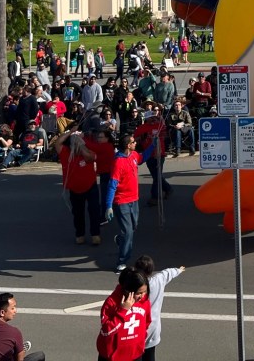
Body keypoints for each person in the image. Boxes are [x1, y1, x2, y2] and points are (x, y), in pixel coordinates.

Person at [104, 132, 157, 273]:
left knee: (133, 227)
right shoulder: (118, 162)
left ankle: (120, 240)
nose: (135, 143)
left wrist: (153, 145)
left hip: (134, 200)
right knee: (128, 232)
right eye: (133, 142)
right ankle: (121, 262)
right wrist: (108, 206)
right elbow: (112, 185)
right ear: (128, 145)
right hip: (121, 201)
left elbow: (142, 158)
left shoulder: (133, 155)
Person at [132, 255, 185, 360]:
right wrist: (179, 270)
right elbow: (168, 273)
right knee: (150, 356)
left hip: (136, 329)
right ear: (151, 270)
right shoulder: (158, 280)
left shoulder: (133, 285)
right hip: (153, 329)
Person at [56, 127, 101, 245]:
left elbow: (90, 158)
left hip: (90, 185)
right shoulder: (65, 152)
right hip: (74, 188)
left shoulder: (88, 152)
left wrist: (81, 147)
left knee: (94, 210)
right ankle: (80, 234)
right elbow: (58, 142)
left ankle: (95, 234)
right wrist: (71, 132)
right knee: (78, 213)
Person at [0, 292, 45, 361]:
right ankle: (19, 349)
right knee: (40, 355)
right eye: (12, 308)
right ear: (2, 313)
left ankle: (17, 349)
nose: (15, 311)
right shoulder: (14, 332)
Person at [97, 267, 151, 361]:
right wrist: (123, 311)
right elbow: (106, 331)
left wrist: (140, 342)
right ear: (128, 290)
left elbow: (146, 322)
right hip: (112, 357)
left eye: (144, 292)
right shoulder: (111, 303)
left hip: (135, 354)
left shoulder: (144, 302)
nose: (142, 296)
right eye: (139, 293)